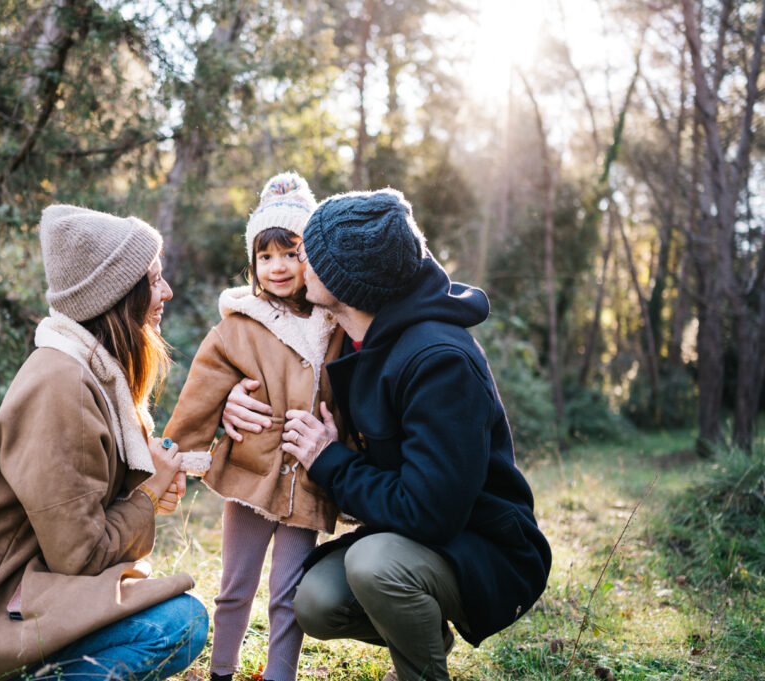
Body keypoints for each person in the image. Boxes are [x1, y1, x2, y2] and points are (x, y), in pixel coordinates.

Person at [222, 188, 552, 681]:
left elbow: (428, 512)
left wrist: (329, 460)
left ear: (346, 283)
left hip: (485, 548)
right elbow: (284, 370)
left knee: (374, 564)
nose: (296, 263)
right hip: (414, 539)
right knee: (316, 599)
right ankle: (421, 631)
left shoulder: (439, 361)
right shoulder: (357, 335)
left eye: (307, 254)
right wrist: (235, 400)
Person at [0, 205, 208, 681]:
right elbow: (82, 557)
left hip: (17, 591)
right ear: (116, 295)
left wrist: (147, 484)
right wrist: (146, 498)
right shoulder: (61, 384)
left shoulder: (88, 370)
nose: (165, 291)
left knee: (175, 614)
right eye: (153, 280)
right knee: (179, 623)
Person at [163, 172, 343, 681]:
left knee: (288, 595)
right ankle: (223, 670)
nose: (279, 267)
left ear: (314, 257)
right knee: (235, 584)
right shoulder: (239, 324)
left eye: (292, 252)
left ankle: (280, 674)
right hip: (249, 469)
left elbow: (351, 400)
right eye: (266, 256)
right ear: (252, 264)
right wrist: (182, 452)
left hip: (306, 481)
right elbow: (203, 388)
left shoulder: (334, 322)